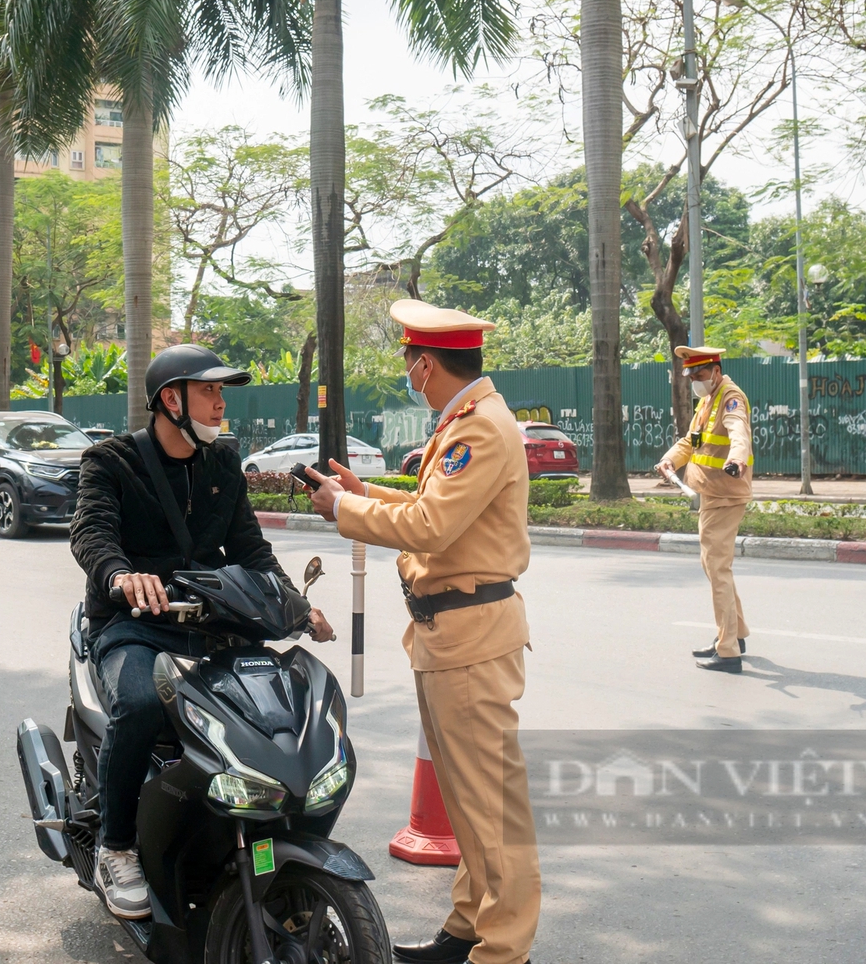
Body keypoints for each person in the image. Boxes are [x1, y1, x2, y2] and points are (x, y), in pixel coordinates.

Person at [308, 299, 541, 964]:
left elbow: (431, 529)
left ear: (426, 364)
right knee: (471, 803)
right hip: (451, 635)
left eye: (412, 360)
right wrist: (366, 492)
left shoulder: (481, 430)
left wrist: (343, 507)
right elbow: (431, 506)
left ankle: (503, 949)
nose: (409, 371)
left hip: (470, 638)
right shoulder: (468, 420)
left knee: (493, 811)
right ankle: (467, 927)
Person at [68, 343, 334, 920]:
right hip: (134, 625)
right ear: (171, 399)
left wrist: (293, 604)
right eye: (209, 392)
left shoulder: (222, 465)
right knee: (138, 705)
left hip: (212, 621)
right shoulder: (111, 462)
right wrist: (120, 576)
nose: (220, 404)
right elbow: (92, 534)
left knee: (277, 707)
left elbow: (250, 550)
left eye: (221, 393)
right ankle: (118, 847)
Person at [655, 345, 753, 674]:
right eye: (692, 377)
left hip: (725, 494)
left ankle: (728, 653)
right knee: (714, 566)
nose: (695, 381)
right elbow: (691, 441)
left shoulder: (730, 397)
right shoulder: (707, 401)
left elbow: (739, 430)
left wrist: (736, 459)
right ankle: (734, 634)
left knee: (717, 568)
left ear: (715, 370)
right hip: (711, 493)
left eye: (699, 375)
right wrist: (671, 458)